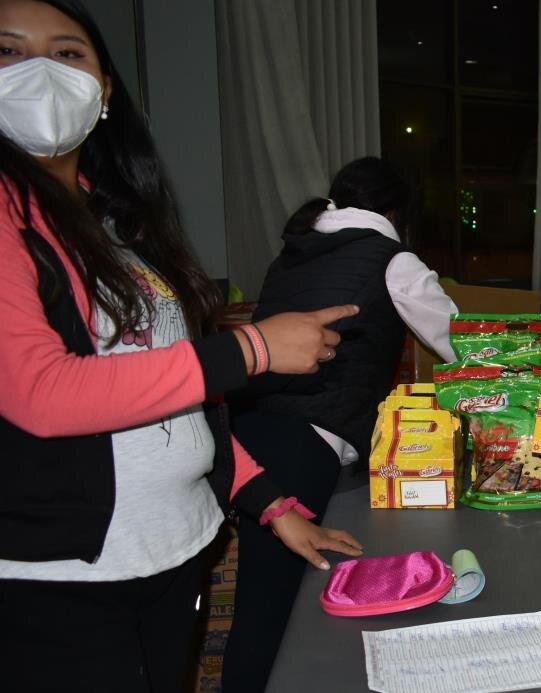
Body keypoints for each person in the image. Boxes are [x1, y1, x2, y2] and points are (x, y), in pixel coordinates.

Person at [0, 1, 364, 690]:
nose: (40, 72)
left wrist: (273, 507)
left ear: (104, 92)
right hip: (63, 578)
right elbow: (41, 394)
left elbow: (180, 403)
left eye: (68, 54)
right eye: (9, 52)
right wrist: (252, 351)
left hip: (173, 552)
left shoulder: (114, 224)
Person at [222, 156, 458, 691]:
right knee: (278, 610)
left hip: (249, 431)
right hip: (303, 443)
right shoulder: (389, 258)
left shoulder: (294, 253)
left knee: (265, 600)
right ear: (397, 210)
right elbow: (457, 341)